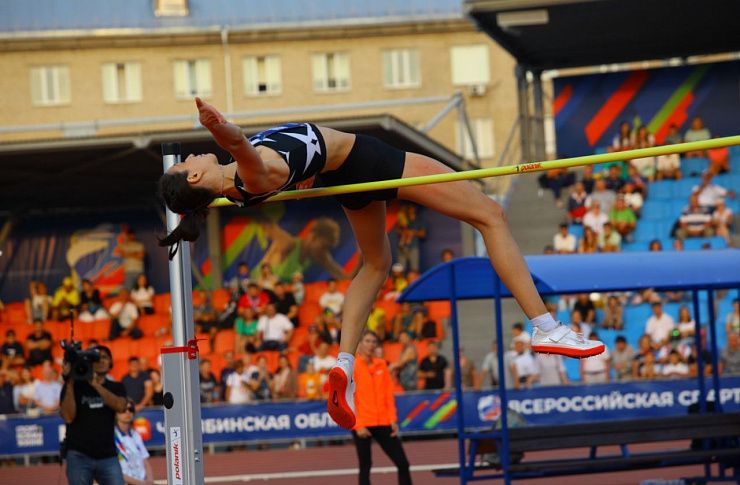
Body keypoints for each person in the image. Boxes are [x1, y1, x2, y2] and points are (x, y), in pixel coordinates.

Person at [157, 97, 604, 429]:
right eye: (190, 161)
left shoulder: (238, 188)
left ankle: (345, 365)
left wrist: (227, 135)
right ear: (195, 177)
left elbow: (254, 152)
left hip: (344, 177)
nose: (193, 154)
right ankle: (546, 327)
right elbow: (242, 146)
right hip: (368, 161)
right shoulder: (247, 175)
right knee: (492, 214)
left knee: (374, 264)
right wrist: (219, 127)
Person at [60, 345, 128, 485]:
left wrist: (96, 385)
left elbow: (121, 407)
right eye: (97, 358)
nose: (101, 361)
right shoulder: (74, 386)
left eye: (105, 357)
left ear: (110, 362)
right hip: (78, 455)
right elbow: (68, 416)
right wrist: (70, 380)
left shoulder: (116, 386)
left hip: (107, 455)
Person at [352, 330, 412, 485]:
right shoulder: (352, 366)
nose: (371, 345)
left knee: (402, 463)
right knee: (365, 466)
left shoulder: (381, 364)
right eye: (367, 341)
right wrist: (358, 425)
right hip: (363, 423)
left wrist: (393, 419)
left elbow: (388, 395)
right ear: (359, 344)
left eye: (374, 342)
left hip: (384, 422)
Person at [115, 399, 155, 485]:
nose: (127, 412)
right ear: (116, 413)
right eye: (123, 410)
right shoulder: (111, 436)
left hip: (142, 481)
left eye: (131, 409)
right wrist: (141, 484)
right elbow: (113, 471)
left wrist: (150, 481)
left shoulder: (135, 434)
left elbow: (145, 460)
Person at [397, 204, 426, 272]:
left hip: (414, 247)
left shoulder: (419, 220)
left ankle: (414, 282)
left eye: (413, 208)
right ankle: (401, 282)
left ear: (415, 209)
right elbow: (398, 231)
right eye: (409, 208)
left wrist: (413, 232)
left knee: (414, 268)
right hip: (403, 247)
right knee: (401, 269)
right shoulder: (403, 218)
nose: (411, 209)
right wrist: (406, 232)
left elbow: (423, 234)